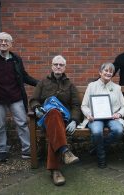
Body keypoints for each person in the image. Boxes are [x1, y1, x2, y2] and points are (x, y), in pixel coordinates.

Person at [0, 32, 38, 163]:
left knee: (22, 123)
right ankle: (2, 150)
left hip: (16, 97)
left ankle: (27, 150)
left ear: (11, 44)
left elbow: (24, 76)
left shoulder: (16, 59)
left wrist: (40, 83)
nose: (3, 43)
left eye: (6, 41)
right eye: (1, 40)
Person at [29, 55, 81, 186]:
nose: (58, 67)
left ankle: (55, 170)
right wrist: (36, 108)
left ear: (64, 67)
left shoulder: (69, 85)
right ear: (52, 66)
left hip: (63, 120)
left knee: (55, 126)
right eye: (56, 64)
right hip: (46, 118)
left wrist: (74, 120)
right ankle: (64, 152)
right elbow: (34, 99)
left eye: (61, 65)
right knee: (52, 114)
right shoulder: (43, 82)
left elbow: (76, 105)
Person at [81, 62, 124, 168]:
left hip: (112, 118)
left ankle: (97, 148)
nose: (108, 73)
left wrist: (119, 114)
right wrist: (88, 114)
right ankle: (101, 157)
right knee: (97, 132)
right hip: (95, 118)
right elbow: (84, 105)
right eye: (106, 70)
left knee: (118, 131)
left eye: (110, 71)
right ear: (100, 72)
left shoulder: (117, 88)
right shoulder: (92, 86)